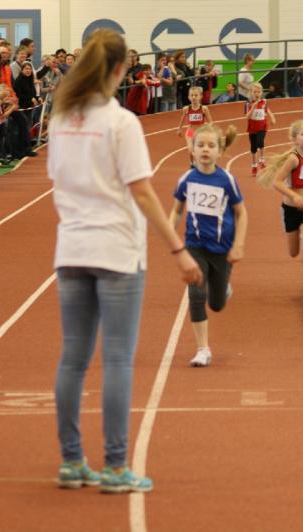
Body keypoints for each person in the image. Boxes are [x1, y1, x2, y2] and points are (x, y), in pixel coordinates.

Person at [48, 28, 201, 494]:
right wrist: (178, 249)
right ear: (120, 69)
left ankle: (72, 461)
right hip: (116, 249)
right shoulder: (121, 122)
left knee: (73, 358)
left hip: (71, 248)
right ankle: (116, 467)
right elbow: (142, 191)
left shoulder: (61, 118)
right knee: (117, 359)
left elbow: (57, 179)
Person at [169, 124, 247, 367]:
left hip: (222, 248)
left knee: (216, 304)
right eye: (200, 145)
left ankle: (223, 288)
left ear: (219, 151)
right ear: (192, 150)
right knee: (196, 294)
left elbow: (241, 213)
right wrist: (171, 236)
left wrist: (239, 244)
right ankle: (203, 349)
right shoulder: (186, 179)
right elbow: (177, 211)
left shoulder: (227, 180)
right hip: (195, 245)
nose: (205, 149)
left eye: (211, 146)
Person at [257, 120, 303, 304]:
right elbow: (277, 182)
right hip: (290, 210)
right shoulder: (293, 159)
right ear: (295, 139)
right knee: (294, 252)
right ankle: (296, 236)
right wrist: (294, 196)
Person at [246, 82, 276, 177]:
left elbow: (267, 110)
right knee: (253, 147)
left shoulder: (264, 102)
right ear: (251, 92)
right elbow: (247, 117)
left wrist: (272, 117)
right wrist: (253, 107)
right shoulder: (248, 103)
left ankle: (262, 159)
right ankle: (254, 165)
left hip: (262, 126)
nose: (257, 94)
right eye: (255, 92)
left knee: (260, 141)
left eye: (259, 92)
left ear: (261, 92)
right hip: (252, 128)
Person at [177, 86, 212, 163]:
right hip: (191, 132)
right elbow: (182, 119)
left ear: (200, 96)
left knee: (201, 150)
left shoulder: (204, 109)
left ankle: (200, 162)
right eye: (192, 95)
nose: (194, 97)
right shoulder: (186, 109)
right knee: (190, 149)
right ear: (189, 97)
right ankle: (192, 164)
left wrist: (210, 130)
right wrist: (179, 129)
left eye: (196, 95)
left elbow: (210, 122)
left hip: (201, 132)